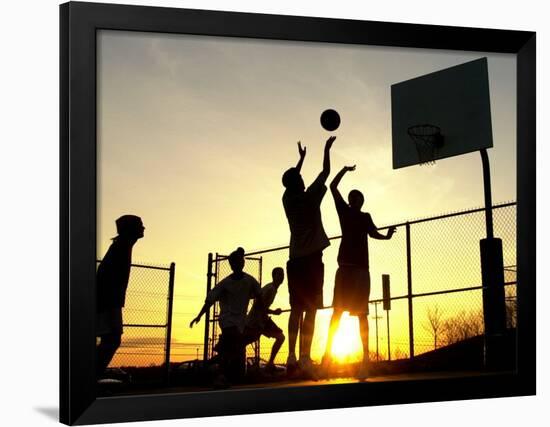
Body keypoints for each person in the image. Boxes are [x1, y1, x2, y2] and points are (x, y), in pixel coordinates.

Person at [322, 165, 396, 380]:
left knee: (362, 314)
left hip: (361, 271)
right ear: (349, 200)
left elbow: (374, 234)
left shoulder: (365, 217)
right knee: (337, 312)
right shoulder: (343, 211)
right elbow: (332, 186)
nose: (353, 200)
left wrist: (387, 236)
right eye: (351, 197)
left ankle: (365, 359)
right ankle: (327, 356)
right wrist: (344, 170)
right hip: (345, 269)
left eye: (357, 198)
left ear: (361, 202)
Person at [282, 136, 335, 377]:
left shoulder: (287, 199)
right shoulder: (311, 196)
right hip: (312, 261)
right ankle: (304, 357)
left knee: (296, 310)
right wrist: (326, 148)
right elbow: (326, 171)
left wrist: (300, 160)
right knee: (311, 310)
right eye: (300, 177)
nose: (303, 177)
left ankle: (291, 356)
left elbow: (291, 179)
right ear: (299, 183)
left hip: (295, 260)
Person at [190, 247, 261, 385]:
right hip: (227, 320)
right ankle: (220, 375)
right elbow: (209, 300)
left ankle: (210, 365)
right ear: (231, 265)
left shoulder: (250, 281)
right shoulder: (225, 283)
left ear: (243, 263)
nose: (238, 265)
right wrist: (199, 316)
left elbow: (260, 297)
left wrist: (263, 314)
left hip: (240, 322)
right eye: (234, 263)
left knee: (233, 348)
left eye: (240, 262)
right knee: (234, 342)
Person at [96, 214, 145, 378]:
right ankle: (88, 376)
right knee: (111, 339)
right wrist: (111, 306)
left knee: (110, 340)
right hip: (107, 302)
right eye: (140, 225)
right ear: (130, 229)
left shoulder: (122, 246)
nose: (143, 228)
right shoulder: (121, 248)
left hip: (109, 301)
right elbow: (106, 278)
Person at [244, 267, 286, 373]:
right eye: (279, 274)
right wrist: (273, 312)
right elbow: (258, 305)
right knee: (246, 340)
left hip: (261, 320)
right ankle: (268, 364)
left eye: (283, 274)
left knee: (280, 337)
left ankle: (269, 363)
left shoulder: (273, 289)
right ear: (274, 276)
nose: (282, 277)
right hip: (256, 321)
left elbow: (261, 306)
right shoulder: (270, 289)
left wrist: (271, 313)